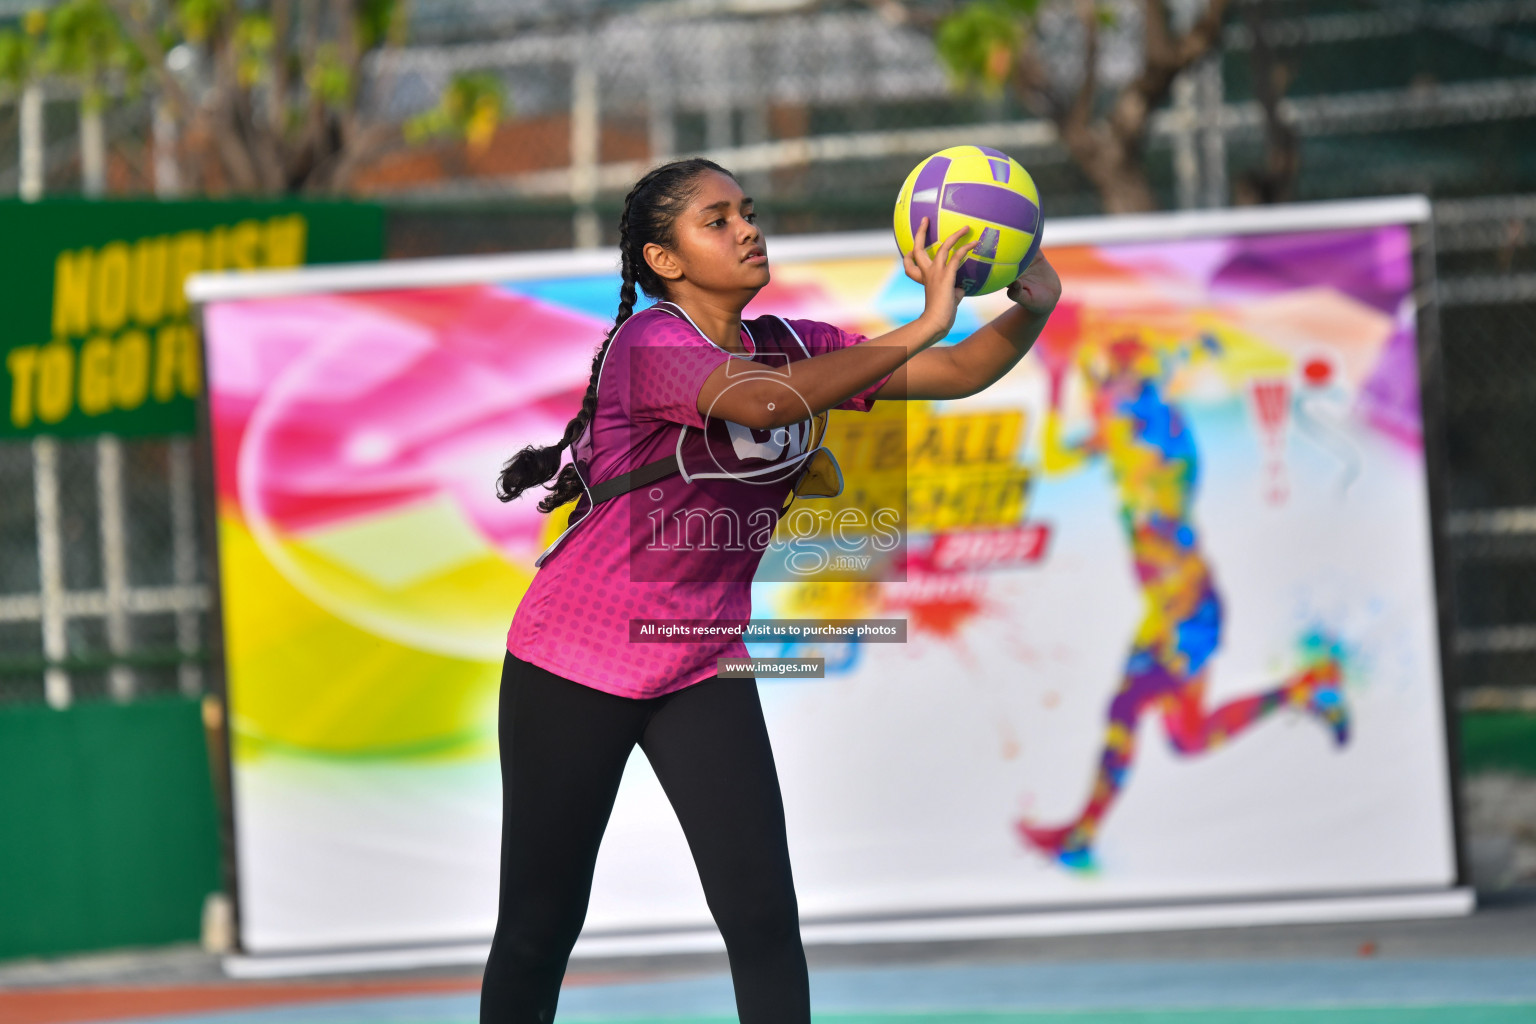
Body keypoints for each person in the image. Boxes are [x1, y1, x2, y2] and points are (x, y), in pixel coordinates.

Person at [482, 156, 1060, 1024]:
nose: (747, 227)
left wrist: (1032, 305)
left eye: (747, 211)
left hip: (700, 661)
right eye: (717, 220)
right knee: (539, 929)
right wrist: (926, 322)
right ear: (664, 260)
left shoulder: (795, 345)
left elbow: (958, 373)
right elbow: (762, 407)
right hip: (575, 659)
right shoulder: (655, 344)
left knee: (762, 920)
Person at [1017, 328, 1349, 873]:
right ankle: (1305, 686)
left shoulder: (1143, 431)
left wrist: (1067, 375)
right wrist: (1064, 379)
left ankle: (1082, 834)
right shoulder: (1136, 426)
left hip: (1183, 606)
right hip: (1181, 605)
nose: (1112, 386)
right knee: (1187, 736)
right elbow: (1059, 458)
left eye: (1123, 375)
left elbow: (1086, 437)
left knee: (1127, 707)